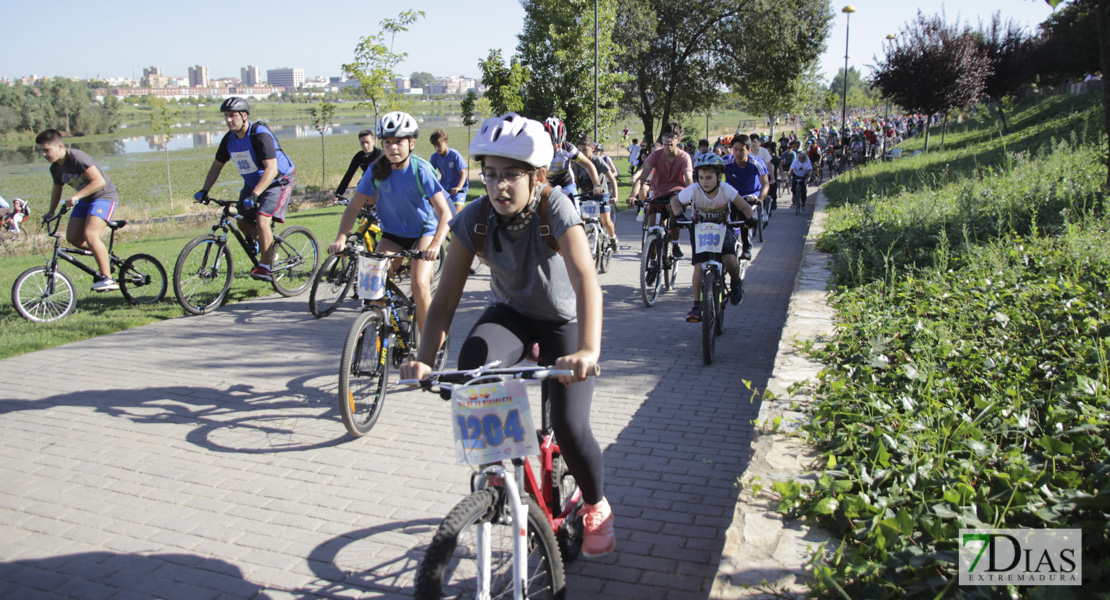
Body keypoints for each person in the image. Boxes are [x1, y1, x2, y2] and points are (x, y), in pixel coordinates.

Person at [398, 112, 615, 557]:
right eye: (490, 174)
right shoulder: (476, 218)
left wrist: (588, 350)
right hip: (512, 313)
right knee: (471, 364)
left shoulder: (554, 207)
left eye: (511, 175)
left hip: (562, 320)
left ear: (537, 177)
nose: (498, 186)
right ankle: (498, 476)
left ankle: (595, 503)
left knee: (571, 427)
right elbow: (444, 301)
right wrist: (424, 358)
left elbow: (586, 281)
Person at [327, 111, 452, 336]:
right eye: (387, 142)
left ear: (411, 143)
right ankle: (380, 333)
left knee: (419, 283)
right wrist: (341, 238)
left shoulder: (420, 169)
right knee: (373, 283)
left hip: (422, 233)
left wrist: (435, 244)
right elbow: (353, 207)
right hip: (393, 234)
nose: (393, 147)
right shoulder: (376, 170)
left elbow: (445, 213)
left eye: (399, 142)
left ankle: (428, 344)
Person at [196, 97, 296, 282]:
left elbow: (272, 169)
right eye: (225, 116)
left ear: (244, 115)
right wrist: (204, 190)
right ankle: (264, 246)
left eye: (232, 116)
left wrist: (255, 194)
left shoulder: (259, 135)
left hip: (278, 180)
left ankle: (266, 267)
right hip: (253, 184)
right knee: (241, 220)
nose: (228, 120)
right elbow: (217, 166)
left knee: (262, 220)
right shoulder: (229, 139)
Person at [671, 154, 758, 321]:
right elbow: (675, 202)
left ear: (719, 177)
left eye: (709, 177)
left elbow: (745, 207)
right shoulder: (694, 189)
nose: (705, 181)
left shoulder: (727, 190)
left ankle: (735, 283)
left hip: (723, 229)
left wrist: (751, 218)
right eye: (701, 177)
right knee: (698, 266)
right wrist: (679, 215)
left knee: (730, 260)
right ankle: (696, 305)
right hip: (700, 231)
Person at [36, 129, 121, 291]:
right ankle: (104, 255)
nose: (44, 154)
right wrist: (51, 212)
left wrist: (75, 196)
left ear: (60, 147)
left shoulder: (77, 157)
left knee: (90, 235)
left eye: (47, 150)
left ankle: (109, 279)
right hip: (85, 200)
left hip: (104, 197)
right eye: (41, 151)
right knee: (73, 237)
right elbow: (57, 189)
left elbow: (99, 181)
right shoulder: (55, 168)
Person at [628, 122, 693, 260]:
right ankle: (651, 263)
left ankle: (675, 245)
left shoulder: (684, 157)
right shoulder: (656, 155)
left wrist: (691, 196)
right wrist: (633, 195)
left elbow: (688, 180)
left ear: (678, 140)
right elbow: (642, 177)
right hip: (658, 194)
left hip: (676, 192)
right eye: (665, 136)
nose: (668, 139)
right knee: (652, 228)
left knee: (673, 204)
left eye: (672, 136)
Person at [722, 135, 769, 261]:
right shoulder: (726, 161)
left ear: (748, 150)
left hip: (750, 195)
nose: (737, 153)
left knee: (744, 213)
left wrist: (761, 198)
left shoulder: (756, 163)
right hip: (732, 194)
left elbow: (765, 183)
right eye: (734, 149)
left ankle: (747, 247)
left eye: (741, 150)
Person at [574, 136, 619, 249]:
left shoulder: (597, 161)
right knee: (583, 221)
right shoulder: (577, 163)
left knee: (606, 220)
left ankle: (613, 238)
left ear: (593, 148)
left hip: (601, 195)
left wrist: (615, 196)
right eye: (579, 150)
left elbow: (612, 178)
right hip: (586, 196)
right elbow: (575, 182)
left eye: (585, 150)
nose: (582, 153)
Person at [542, 117, 602, 201]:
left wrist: (597, 185)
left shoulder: (568, 148)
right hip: (548, 185)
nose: (555, 146)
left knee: (575, 212)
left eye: (558, 142)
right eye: (551, 143)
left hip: (567, 184)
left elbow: (588, 165)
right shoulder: (540, 150)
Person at [334, 130, 382, 203]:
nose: (365, 145)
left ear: (374, 142)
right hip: (366, 182)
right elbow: (349, 174)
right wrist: (338, 194)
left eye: (367, 142)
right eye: (362, 143)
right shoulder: (359, 156)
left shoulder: (381, 155)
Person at [429, 128, 470, 214]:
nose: (437, 148)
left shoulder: (454, 155)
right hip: (445, 188)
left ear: (446, 142)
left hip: (460, 188)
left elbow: (463, 173)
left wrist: (458, 188)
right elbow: (430, 174)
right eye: (434, 146)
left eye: (438, 145)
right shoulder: (434, 157)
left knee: (456, 215)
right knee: (443, 213)